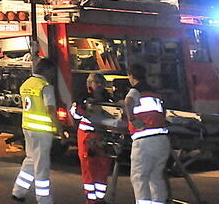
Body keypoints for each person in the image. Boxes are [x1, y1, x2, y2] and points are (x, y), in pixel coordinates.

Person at [11, 57, 58, 204]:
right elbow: (50, 109)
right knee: (42, 165)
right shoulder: (45, 86)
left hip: (28, 127)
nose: (53, 74)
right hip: (42, 131)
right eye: (52, 70)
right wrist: (59, 128)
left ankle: (18, 191)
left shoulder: (26, 84)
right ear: (46, 70)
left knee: (31, 160)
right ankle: (44, 200)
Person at [124, 63, 171, 204]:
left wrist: (132, 119)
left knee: (139, 177)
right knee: (156, 178)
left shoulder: (135, 90)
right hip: (162, 140)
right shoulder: (155, 92)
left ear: (131, 76)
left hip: (144, 140)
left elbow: (128, 102)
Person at [70, 73, 115, 203]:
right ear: (90, 83)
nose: (100, 85)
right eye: (97, 82)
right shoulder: (82, 97)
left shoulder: (109, 98)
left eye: (102, 82)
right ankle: (91, 199)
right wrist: (83, 108)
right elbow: (74, 114)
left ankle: (100, 198)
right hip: (87, 136)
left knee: (104, 166)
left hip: (103, 136)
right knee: (89, 168)